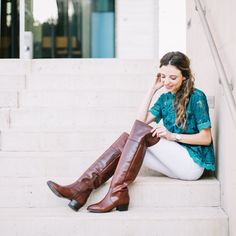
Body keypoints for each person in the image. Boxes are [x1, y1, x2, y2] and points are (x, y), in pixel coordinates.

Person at [47, 51, 215, 213]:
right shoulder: (165, 98)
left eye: (173, 77)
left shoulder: (196, 97)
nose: (166, 82)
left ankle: (93, 190)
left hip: (192, 164)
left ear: (184, 76)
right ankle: (88, 189)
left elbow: (206, 138)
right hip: (173, 163)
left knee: (140, 135)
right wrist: (152, 89)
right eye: (163, 76)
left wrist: (173, 136)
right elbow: (139, 123)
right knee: (129, 140)